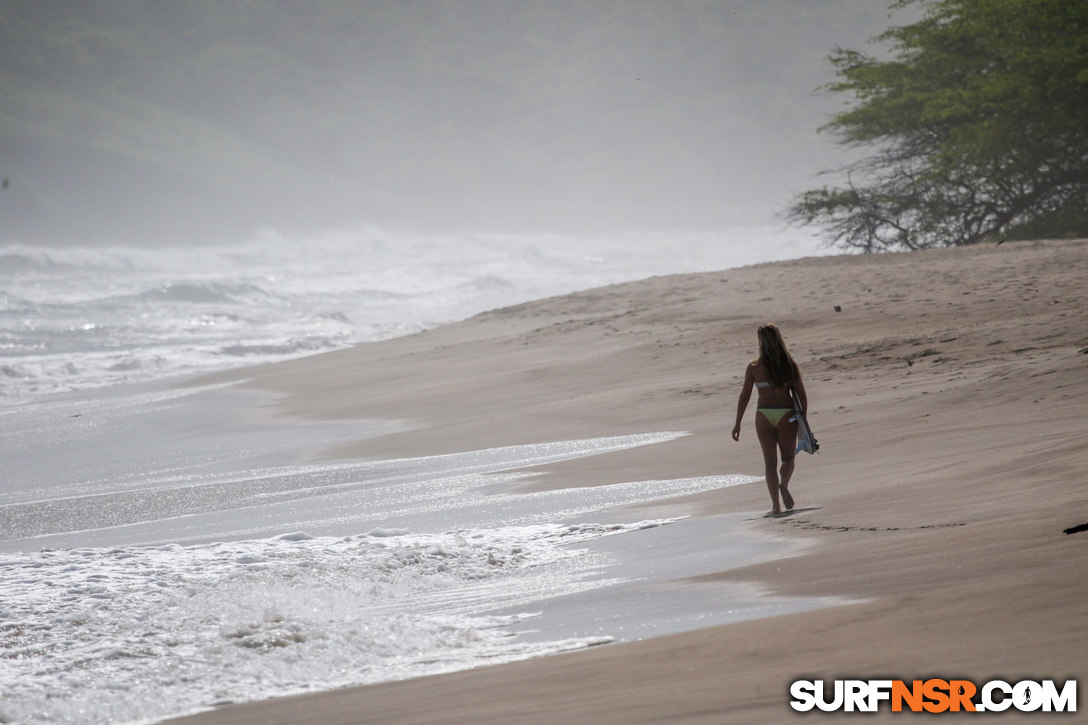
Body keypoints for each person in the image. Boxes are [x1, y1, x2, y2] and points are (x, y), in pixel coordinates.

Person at [731, 323, 808, 516]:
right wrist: (803, 419)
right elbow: (801, 394)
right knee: (788, 459)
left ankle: (775, 506)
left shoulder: (754, 367)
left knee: (769, 464)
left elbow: (744, 396)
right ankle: (784, 484)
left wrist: (738, 423)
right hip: (786, 413)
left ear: (760, 342)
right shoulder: (789, 365)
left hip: (764, 415)